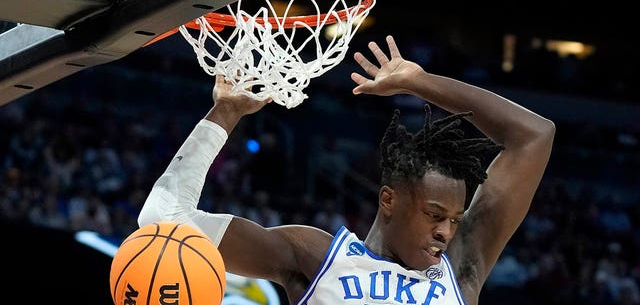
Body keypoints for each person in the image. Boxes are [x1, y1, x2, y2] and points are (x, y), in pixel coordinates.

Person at [138, 35, 555, 305]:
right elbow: (163, 219)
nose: (446, 231)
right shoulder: (318, 257)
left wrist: (420, 82)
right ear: (388, 199)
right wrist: (224, 113)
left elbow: (535, 135)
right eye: (434, 215)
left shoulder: (460, 270)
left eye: (453, 219)